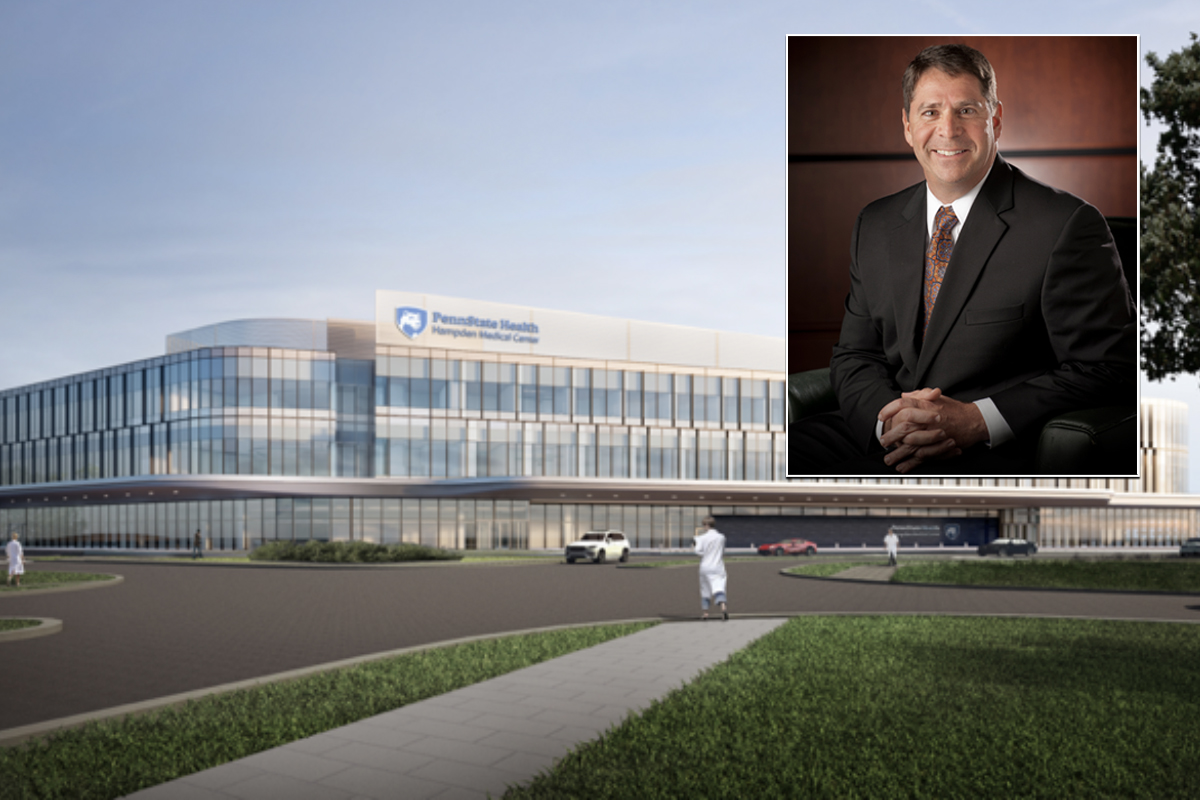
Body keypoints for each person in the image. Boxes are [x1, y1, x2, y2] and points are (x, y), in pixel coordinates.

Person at [789, 43, 1135, 475]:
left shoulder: (1065, 224)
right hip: (880, 428)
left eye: (967, 110)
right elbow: (856, 355)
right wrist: (890, 423)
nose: (948, 129)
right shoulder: (875, 223)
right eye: (930, 111)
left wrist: (977, 420)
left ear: (996, 119)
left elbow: (1110, 368)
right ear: (907, 125)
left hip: (994, 445)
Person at [693, 516, 728, 621]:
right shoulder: (721, 537)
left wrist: (704, 551)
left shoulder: (701, 538)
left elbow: (698, 552)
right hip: (718, 566)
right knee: (719, 588)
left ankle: (705, 613)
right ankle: (723, 607)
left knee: (705, 590)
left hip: (705, 566)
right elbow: (722, 550)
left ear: (706, 525)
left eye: (704, 525)